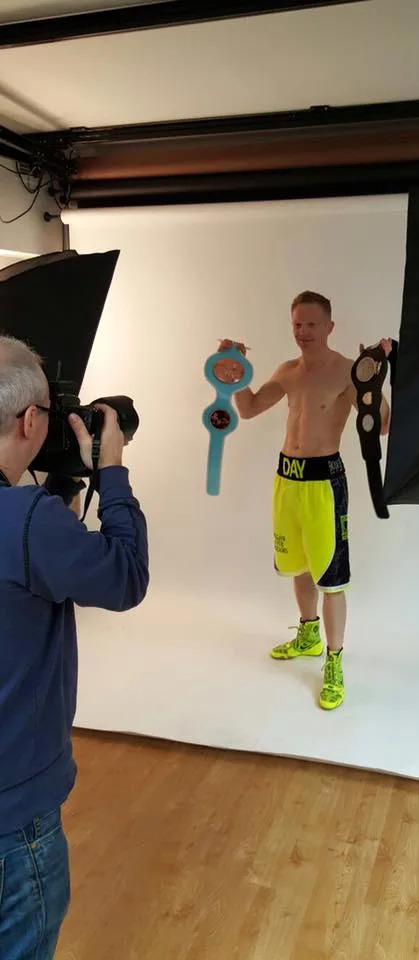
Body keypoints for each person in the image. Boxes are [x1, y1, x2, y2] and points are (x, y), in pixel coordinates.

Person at [0, 335, 149, 958]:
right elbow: (124, 576)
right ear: (33, 420)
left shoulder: (33, 519)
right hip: (13, 813)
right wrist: (109, 468)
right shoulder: (28, 521)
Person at [219, 290, 390, 711]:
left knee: (331, 577)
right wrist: (235, 376)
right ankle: (308, 633)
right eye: (297, 324)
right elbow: (252, 407)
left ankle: (334, 661)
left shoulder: (347, 372)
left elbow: (382, 427)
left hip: (324, 484)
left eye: (312, 324)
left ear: (330, 327)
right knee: (297, 565)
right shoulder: (289, 370)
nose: (303, 332)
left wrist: (374, 382)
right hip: (287, 480)